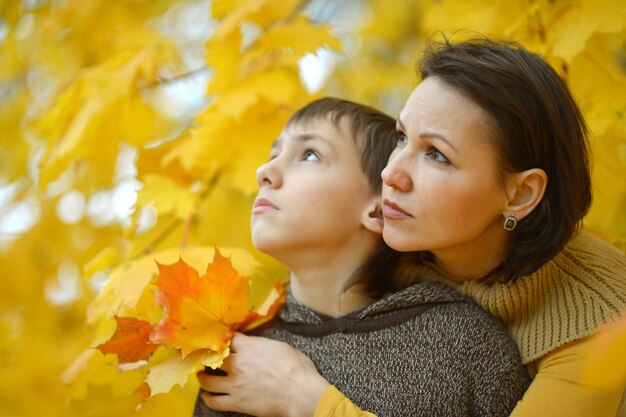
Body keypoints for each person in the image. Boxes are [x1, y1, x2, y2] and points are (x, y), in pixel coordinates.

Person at [196, 38, 626, 417]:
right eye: (402, 138)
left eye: (436, 155)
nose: (391, 173)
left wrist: (306, 399)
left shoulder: (603, 326)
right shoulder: (407, 239)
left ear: (519, 195)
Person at [194, 97, 530, 417]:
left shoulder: (462, 339)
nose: (265, 171)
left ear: (379, 208)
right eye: (273, 154)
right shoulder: (241, 354)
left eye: (309, 155)